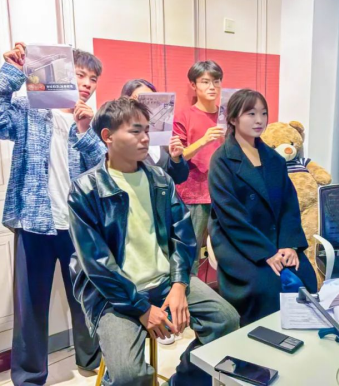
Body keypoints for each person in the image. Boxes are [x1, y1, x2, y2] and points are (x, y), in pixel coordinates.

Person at [68, 96, 239, 386]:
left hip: (164, 281)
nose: (145, 138)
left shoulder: (160, 179)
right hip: (113, 294)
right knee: (129, 375)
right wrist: (142, 309)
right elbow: (96, 263)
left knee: (226, 320)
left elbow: (183, 236)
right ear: (108, 136)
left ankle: (183, 380)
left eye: (147, 130)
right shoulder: (86, 188)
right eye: (135, 131)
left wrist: (179, 284)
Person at [0, 43, 105, 385]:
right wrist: (12, 74)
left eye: (93, 79)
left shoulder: (92, 120)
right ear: (62, 75)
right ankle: (30, 376)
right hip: (34, 222)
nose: (87, 84)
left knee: (87, 297)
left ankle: (91, 359)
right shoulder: (29, 110)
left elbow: (105, 170)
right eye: (80, 75)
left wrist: (85, 131)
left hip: (79, 226)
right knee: (30, 305)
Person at [208, 89, 318, 326]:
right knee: (265, 286)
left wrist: (288, 244)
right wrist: (266, 252)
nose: (259, 120)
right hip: (240, 243)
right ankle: (260, 340)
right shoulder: (222, 160)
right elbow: (231, 217)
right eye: (251, 114)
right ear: (233, 118)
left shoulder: (274, 159)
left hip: (278, 239)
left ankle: (301, 337)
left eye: (263, 113)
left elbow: (288, 204)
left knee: (306, 275)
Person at [173, 61, 226, 273]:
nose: (212, 87)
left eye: (216, 81)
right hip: (193, 193)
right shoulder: (184, 116)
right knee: (190, 252)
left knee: (227, 249)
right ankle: (186, 290)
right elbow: (178, 156)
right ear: (193, 85)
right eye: (205, 82)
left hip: (223, 191)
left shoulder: (227, 116)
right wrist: (204, 140)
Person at [121, 78, 189, 184]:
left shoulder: (164, 139)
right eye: (141, 99)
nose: (146, 106)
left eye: (152, 99)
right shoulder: (122, 138)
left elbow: (180, 178)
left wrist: (176, 158)